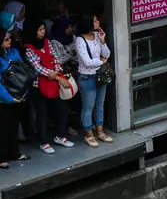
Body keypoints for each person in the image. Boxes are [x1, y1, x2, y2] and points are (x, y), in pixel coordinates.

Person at [21, 19, 74, 154]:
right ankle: (44, 142)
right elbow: (37, 68)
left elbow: (56, 58)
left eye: (43, 29)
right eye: (40, 30)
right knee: (42, 114)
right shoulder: (28, 49)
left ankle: (60, 136)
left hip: (52, 83)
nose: (43, 32)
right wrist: (55, 75)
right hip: (37, 86)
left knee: (63, 110)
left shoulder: (48, 42)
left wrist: (56, 70)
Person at [75, 15, 112, 148]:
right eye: (95, 20)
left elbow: (107, 54)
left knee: (100, 104)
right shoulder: (79, 40)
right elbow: (87, 62)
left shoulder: (97, 36)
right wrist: (101, 61)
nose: (98, 22)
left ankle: (100, 131)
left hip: (99, 75)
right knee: (88, 107)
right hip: (86, 76)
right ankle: (89, 134)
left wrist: (102, 41)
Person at [0, 30, 30, 166]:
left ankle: (13, 153)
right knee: (3, 128)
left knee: (13, 126)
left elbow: (23, 72)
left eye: (10, 38)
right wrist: (9, 98)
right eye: (6, 39)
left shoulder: (14, 53)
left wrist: (23, 92)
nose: (9, 40)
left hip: (19, 95)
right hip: (4, 98)